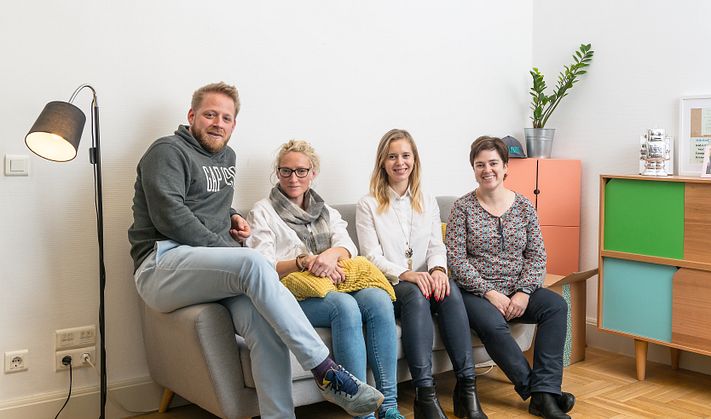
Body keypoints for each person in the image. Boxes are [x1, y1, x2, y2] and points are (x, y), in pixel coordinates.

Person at [127, 82, 382, 419]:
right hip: (162, 264)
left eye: (227, 118)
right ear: (192, 116)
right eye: (210, 114)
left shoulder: (226, 157)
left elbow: (208, 202)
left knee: (264, 325)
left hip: (205, 269)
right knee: (251, 261)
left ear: (234, 124)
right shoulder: (167, 151)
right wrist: (230, 252)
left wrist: (231, 214)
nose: (219, 123)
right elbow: (171, 216)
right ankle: (325, 370)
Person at [247, 139, 404, 419]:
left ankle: (389, 405)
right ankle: (363, 412)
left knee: (380, 299)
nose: (293, 178)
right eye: (285, 171)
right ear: (277, 173)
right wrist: (302, 262)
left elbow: (348, 247)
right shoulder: (263, 211)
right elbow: (262, 265)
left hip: (335, 280)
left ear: (313, 173)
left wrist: (329, 257)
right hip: (291, 292)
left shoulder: (325, 210)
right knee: (343, 306)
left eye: (301, 171)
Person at [356, 129, 487, 419]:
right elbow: (371, 257)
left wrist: (438, 270)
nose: (399, 162)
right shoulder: (368, 204)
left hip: (424, 280)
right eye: (392, 156)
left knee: (449, 289)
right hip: (390, 285)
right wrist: (407, 274)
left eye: (405, 155)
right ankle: (424, 395)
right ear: (382, 162)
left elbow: (435, 245)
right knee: (416, 296)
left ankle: (467, 389)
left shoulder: (426, 200)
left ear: (414, 160)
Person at [445, 136, 576, 419]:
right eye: (480, 165)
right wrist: (490, 293)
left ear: (506, 167)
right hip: (476, 293)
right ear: (473, 169)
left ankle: (546, 391)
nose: (487, 170)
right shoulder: (461, 208)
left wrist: (524, 291)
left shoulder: (525, 207)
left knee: (557, 306)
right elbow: (455, 261)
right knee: (493, 324)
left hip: (518, 290)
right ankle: (540, 394)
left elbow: (537, 255)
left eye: (493, 163)